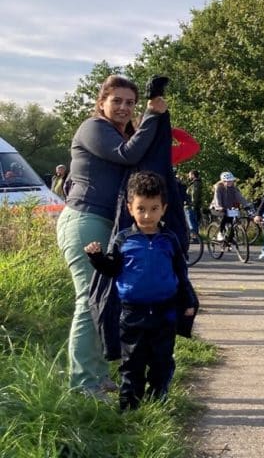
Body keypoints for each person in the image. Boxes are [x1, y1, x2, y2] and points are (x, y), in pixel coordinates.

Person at [57, 74, 165, 396]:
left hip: (108, 222)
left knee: (106, 300)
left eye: (130, 103)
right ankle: (82, 383)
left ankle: (98, 375)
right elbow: (127, 155)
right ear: (101, 101)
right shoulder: (93, 128)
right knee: (89, 298)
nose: (123, 107)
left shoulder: (122, 131)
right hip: (84, 219)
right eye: (116, 100)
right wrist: (152, 115)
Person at [84, 171, 196, 410]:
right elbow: (112, 269)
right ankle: (129, 407)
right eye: (141, 208)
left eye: (154, 209)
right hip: (132, 313)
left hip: (165, 312)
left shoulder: (170, 239)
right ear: (129, 208)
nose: (147, 215)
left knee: (162, 361)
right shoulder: (123, 239)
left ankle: (157, 401)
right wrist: (96, 258)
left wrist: (187, 302)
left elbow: (181, 273)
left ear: (164, 208)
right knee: (132, 363)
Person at [210, 171, 248, 241]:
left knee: (233, 220)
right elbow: (217, 199)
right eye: (227, 181)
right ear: (223, 181)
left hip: (229, 209)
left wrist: (247, 204)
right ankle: (220, 233)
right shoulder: (219, 188)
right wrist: (219, 207)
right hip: (216, 208)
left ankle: (231, 237)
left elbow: (239, 197)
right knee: (224, 216)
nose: (230, 182)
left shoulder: (234, 188)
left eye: (231, 181)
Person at [185, 170, 203, 237]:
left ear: (193, 175)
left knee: (191, 222)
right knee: (194, 222)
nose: (189, 176)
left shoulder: (195, 184)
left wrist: (192, 205)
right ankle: (195, 236)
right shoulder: (197, 183)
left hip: (191, 205)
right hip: (194, 205)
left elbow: (194, 195)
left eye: (189, 175)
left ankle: (195, 237)